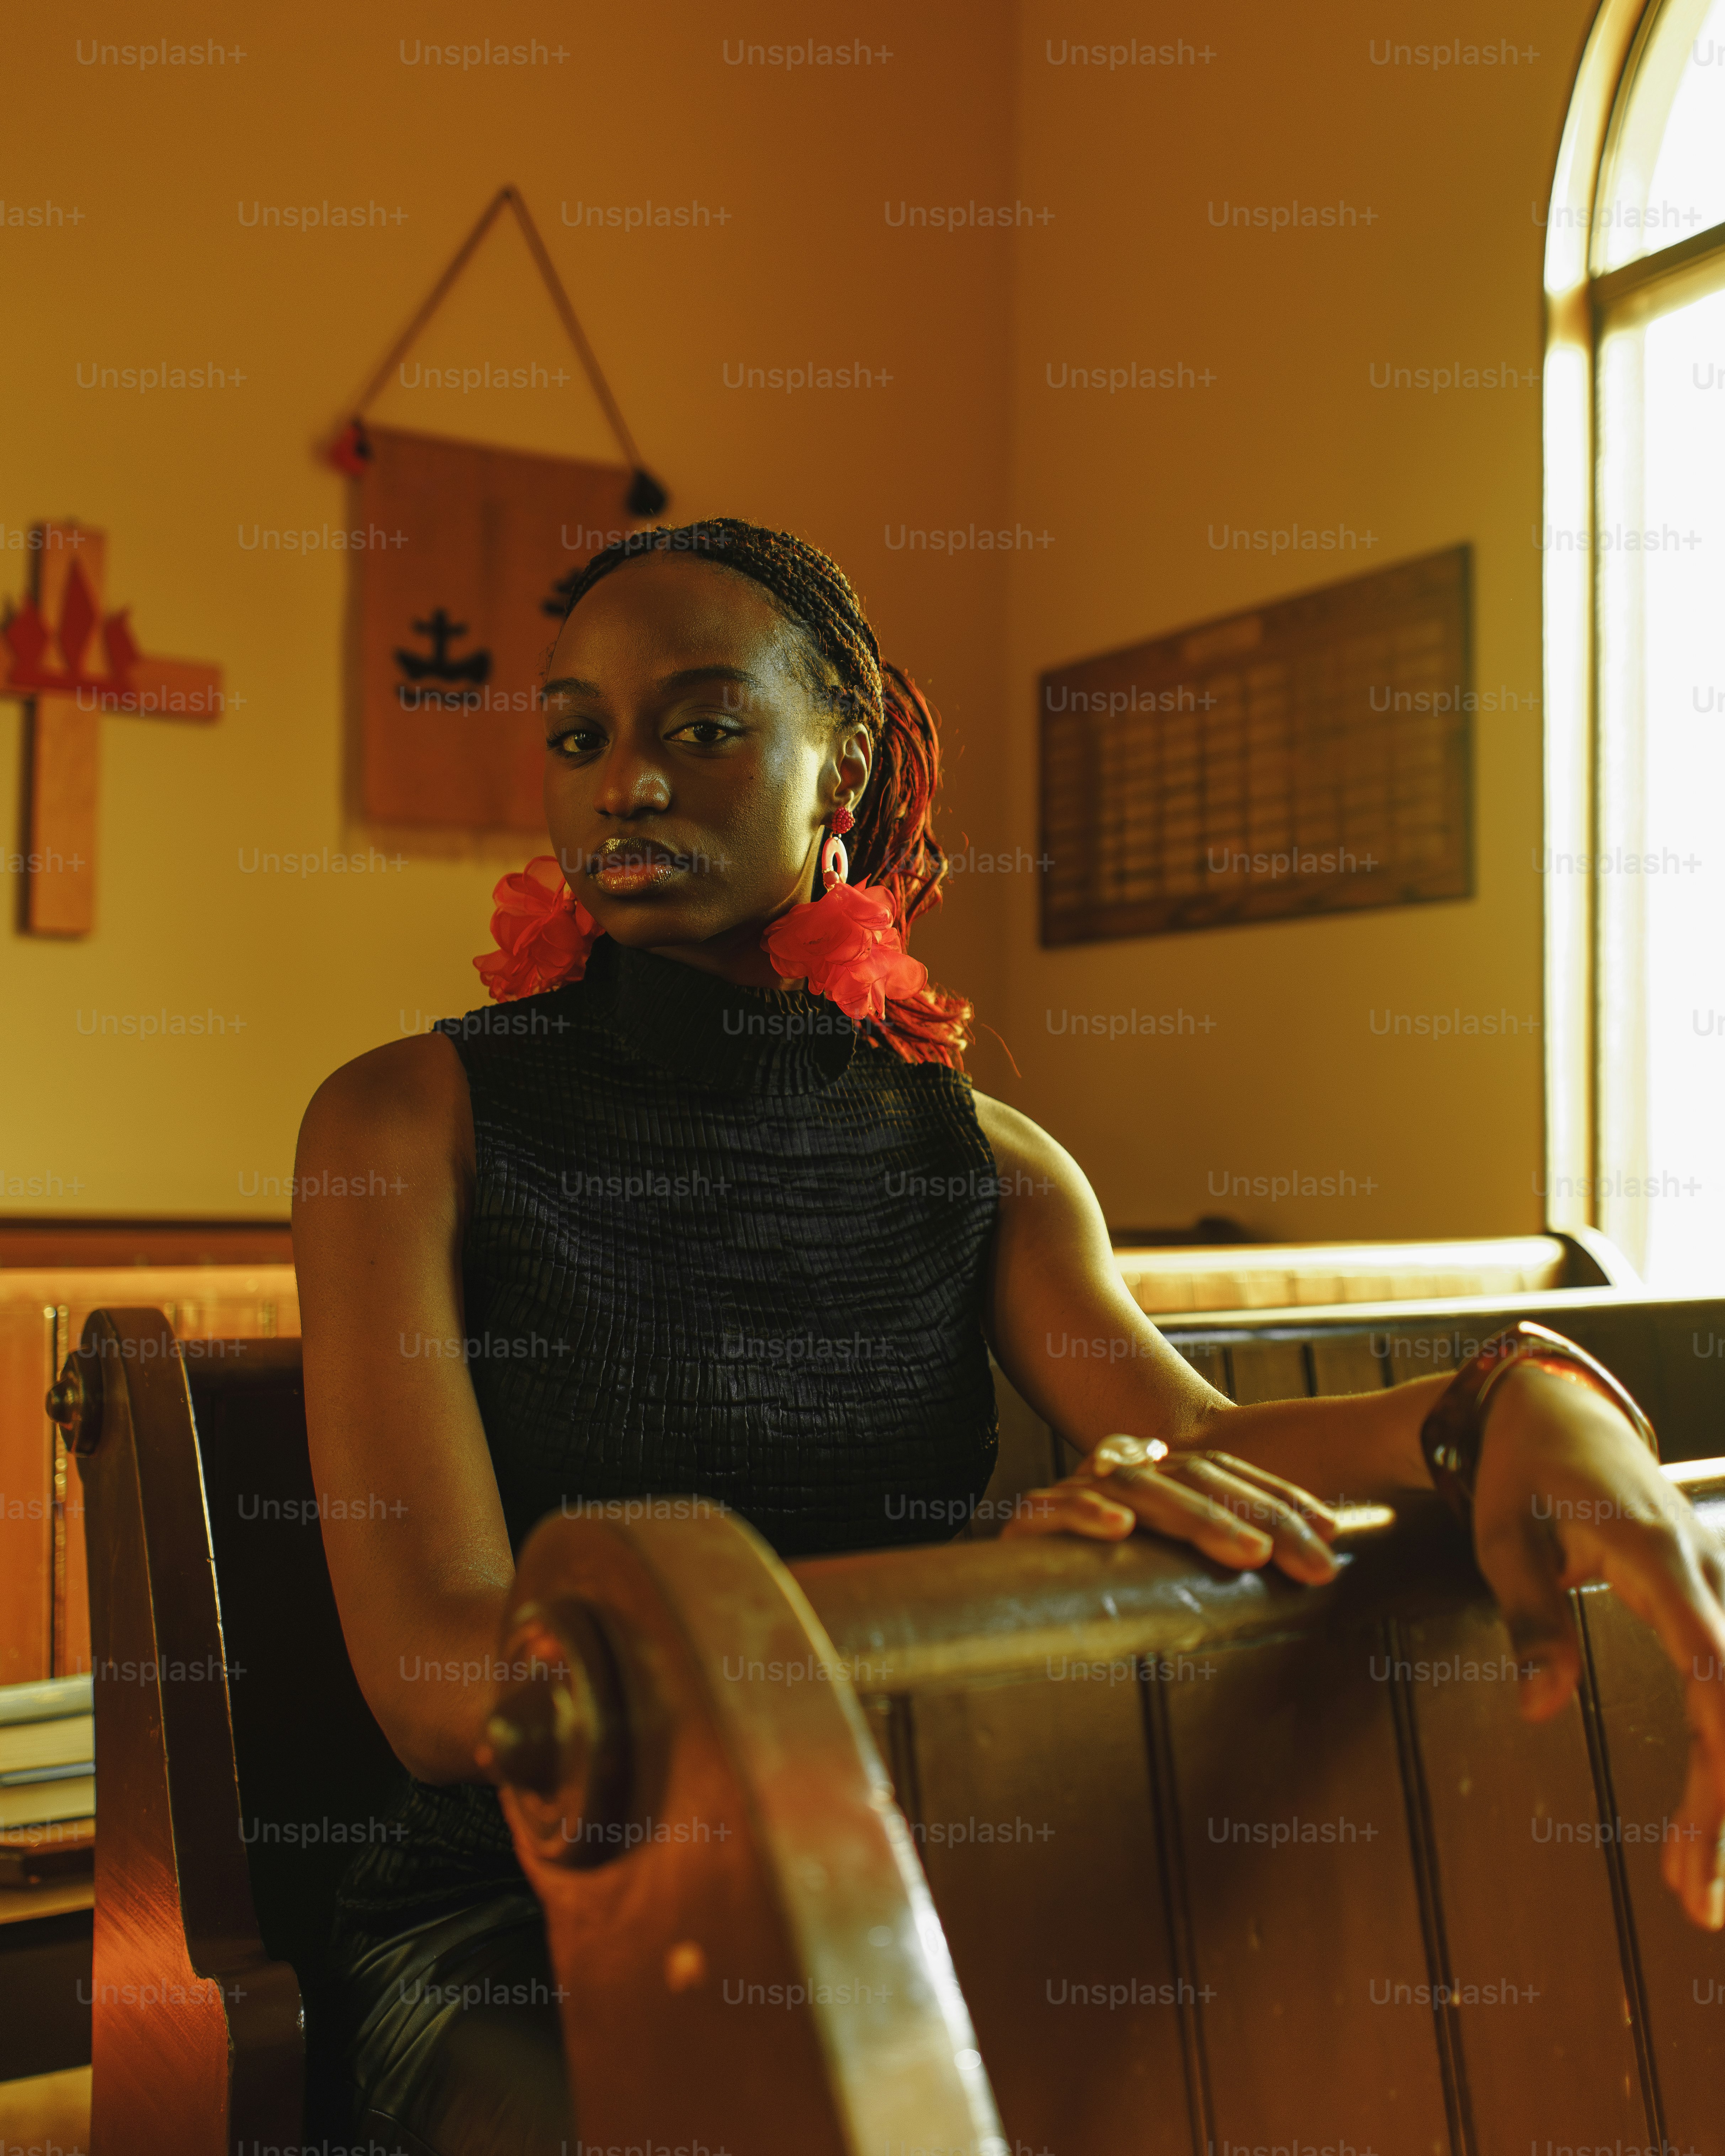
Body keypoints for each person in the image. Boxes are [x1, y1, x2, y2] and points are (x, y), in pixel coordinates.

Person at [294, 518, 1725, 2155]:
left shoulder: (979, 1157)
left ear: (839, 776)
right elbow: (431, 1677)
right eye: (579, 735)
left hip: (890, 1855)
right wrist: (961, 1614)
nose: (625, 780)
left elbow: (1191, 1447)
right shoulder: (405, 1124)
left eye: (702, 726)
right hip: (525, 1907)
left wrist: (1501, 1406)